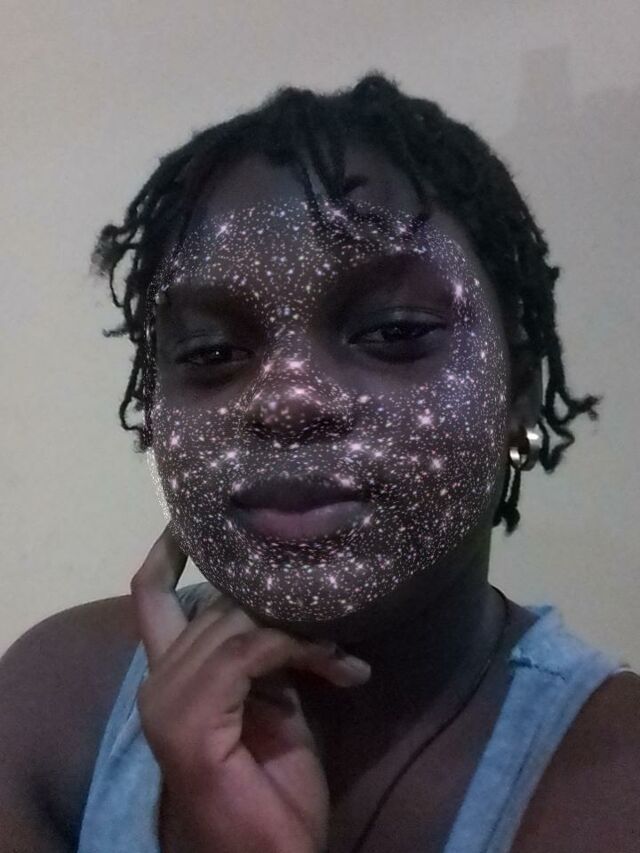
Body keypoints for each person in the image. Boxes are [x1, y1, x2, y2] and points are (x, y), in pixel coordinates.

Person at [0, 72, 638, 853]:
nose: (287, 399)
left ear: (521, 393)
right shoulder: (52, 703)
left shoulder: (616, 783)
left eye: (394, 330)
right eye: (211, 351)